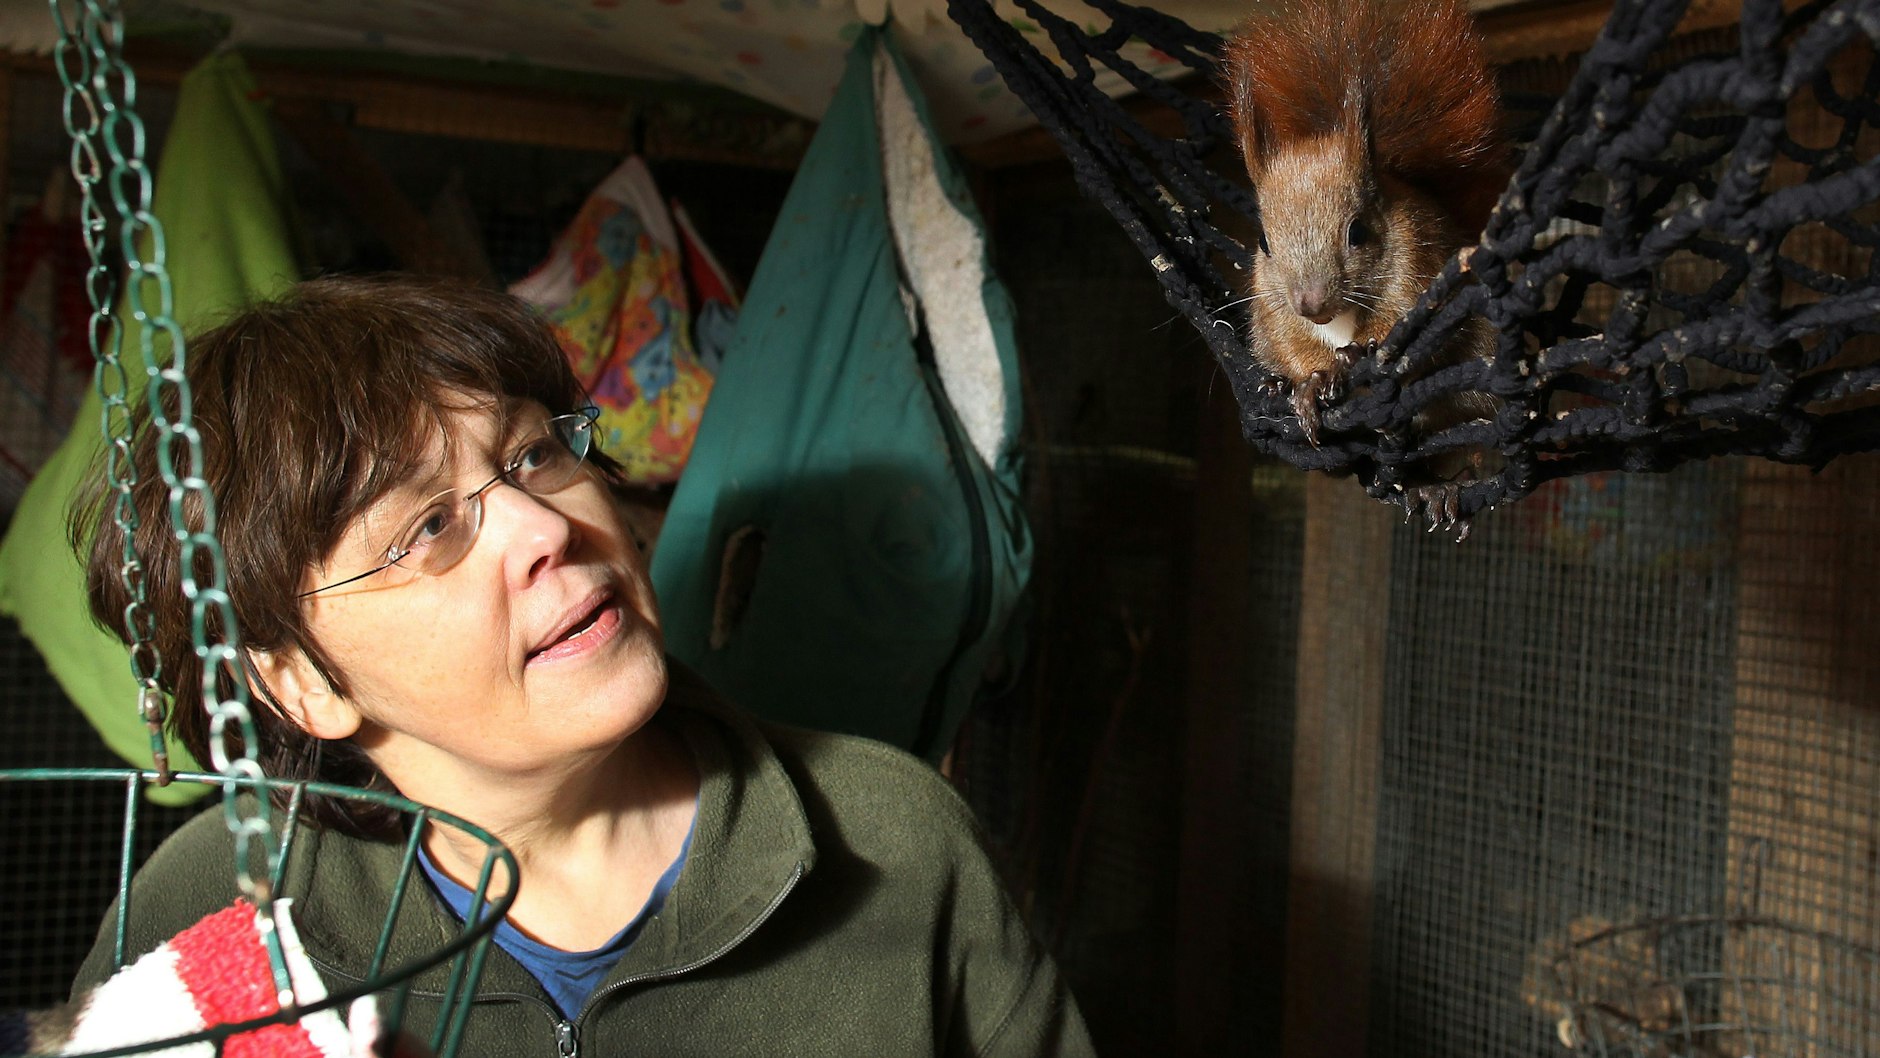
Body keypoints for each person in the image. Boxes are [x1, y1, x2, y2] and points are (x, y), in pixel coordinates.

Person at [70, 274, 1093, 1057]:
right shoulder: (219, 906)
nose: (541, 525)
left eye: (529, 456)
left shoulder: (890, 838)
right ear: (303, 681)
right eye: (427, 525)